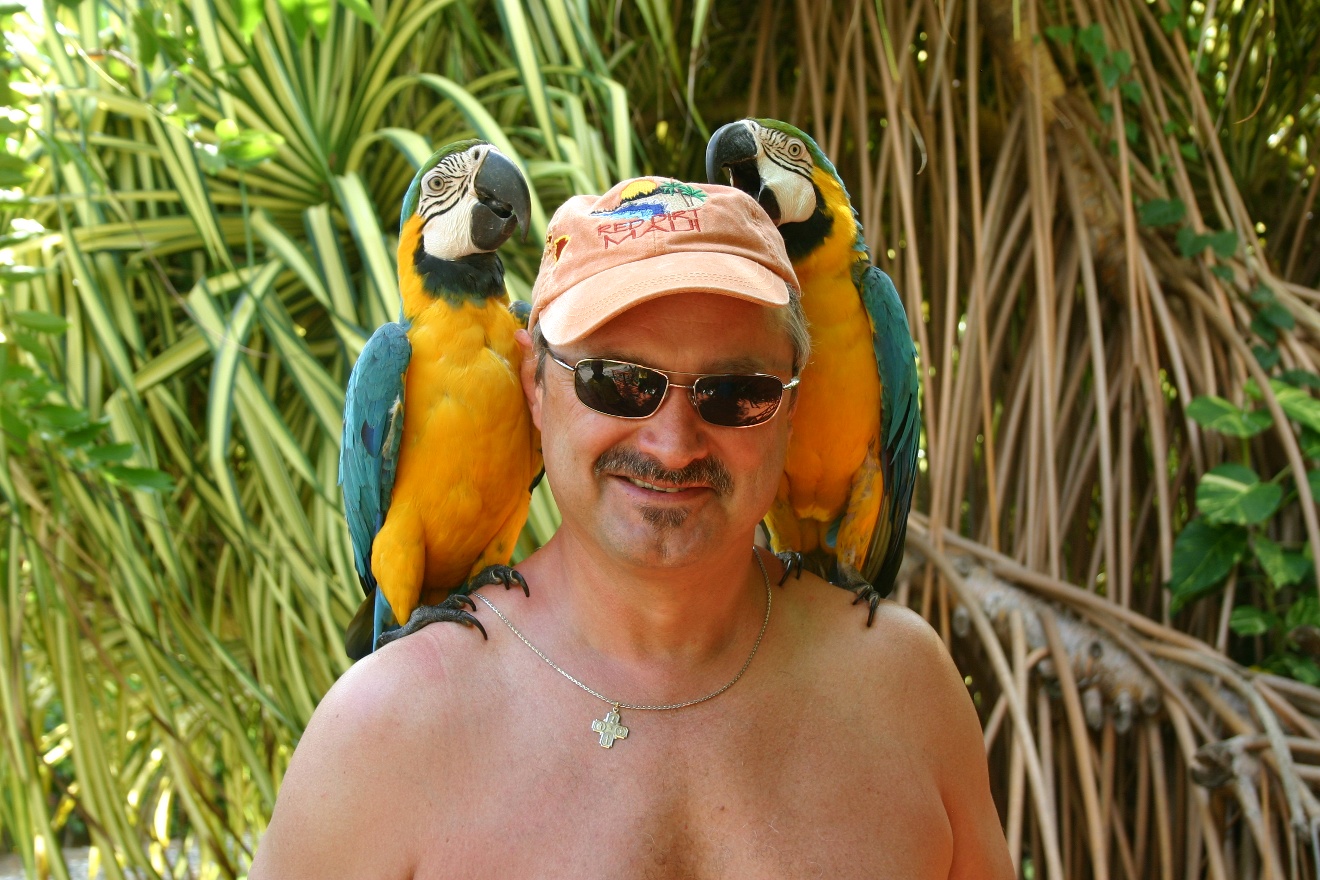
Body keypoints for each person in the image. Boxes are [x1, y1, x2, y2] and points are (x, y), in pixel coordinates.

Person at [250, 178, 1014, 879]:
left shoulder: (907, 691)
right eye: (617, 382)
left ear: (792, 407)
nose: (672, 442)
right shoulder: (380, 732)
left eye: (736, 391)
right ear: (535, 390)